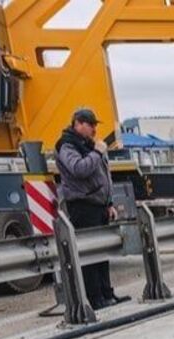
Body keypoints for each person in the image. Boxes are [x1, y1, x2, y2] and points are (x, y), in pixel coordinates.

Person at [56, 107, 125, 310]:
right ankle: (95, 298)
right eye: (91, 124)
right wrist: (96, 152)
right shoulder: (67, 145)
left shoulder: (89, 144)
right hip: (83, 205)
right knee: (90, 254)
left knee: (102, 252)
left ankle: (106, 293)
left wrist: (109, 202)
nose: (94, 129)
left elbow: (104, 174)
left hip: (99, 205)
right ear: (78, 123)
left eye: (95, 124)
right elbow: (79, 169)